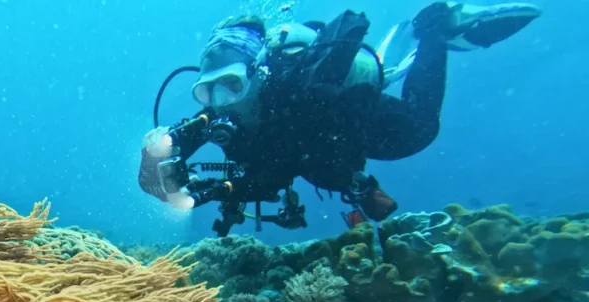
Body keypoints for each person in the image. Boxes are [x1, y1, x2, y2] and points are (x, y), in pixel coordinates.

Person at [138, 2, 542, 237]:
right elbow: (270, 170)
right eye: (206, 91)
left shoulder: (298, 91)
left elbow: (280, 168)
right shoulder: (222, 113)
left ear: (257, 75)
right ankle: (404, 51)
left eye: (230, 85)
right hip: (314, 155)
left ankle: (437, 30)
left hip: (349, 121)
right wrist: (158, 161)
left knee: (419, 130)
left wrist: (221, 189)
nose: (221, 101)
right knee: (316, 162)